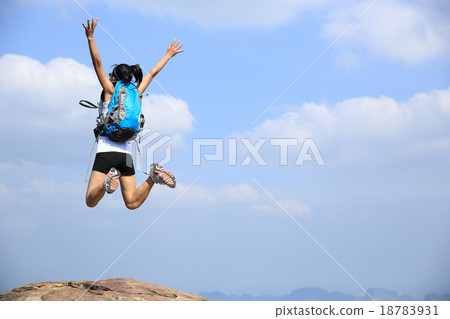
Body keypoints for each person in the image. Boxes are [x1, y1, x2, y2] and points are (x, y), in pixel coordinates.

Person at [82, 18, 184, 210]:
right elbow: (152, 73)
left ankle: (106, 184)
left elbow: (97, 63)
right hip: (126, 154)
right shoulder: (136, 92)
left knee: (90, 201)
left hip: (106, 151)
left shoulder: (110, 90)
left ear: (114, 78)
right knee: (131, 202)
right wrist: (168, 55)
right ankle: (153, 178)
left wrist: (90, 37)